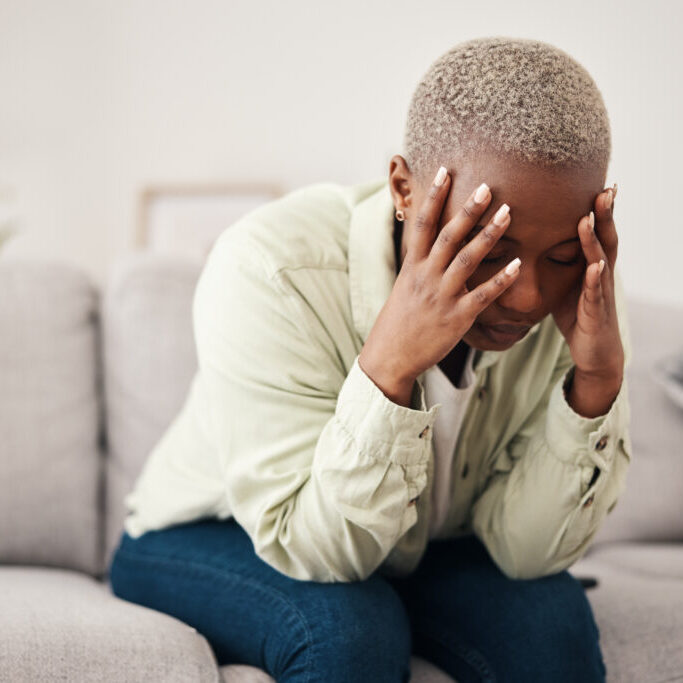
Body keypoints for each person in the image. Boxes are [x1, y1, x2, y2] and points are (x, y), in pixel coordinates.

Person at [109, 36, 632, 682]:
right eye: (489, 246)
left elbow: (524, 552)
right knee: (350, 632)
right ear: (403, 188)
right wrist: (388, 366)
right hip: (224, 529)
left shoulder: (579, 297)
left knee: (550, 629)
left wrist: (596, 382)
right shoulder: (272, 269)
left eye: (558, 254)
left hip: (426, 545)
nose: (526, 295)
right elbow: (313, 544)